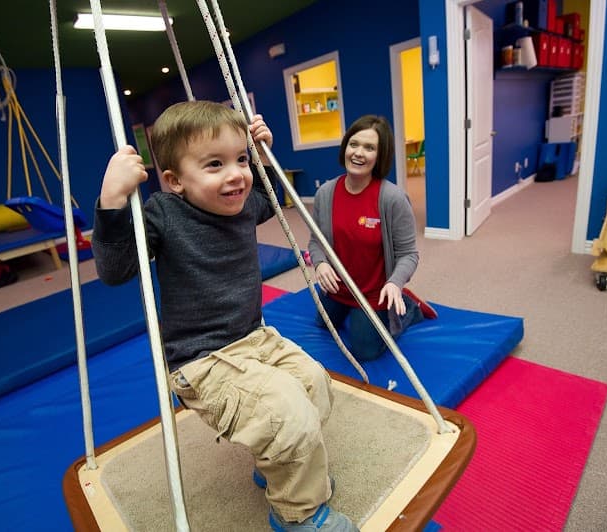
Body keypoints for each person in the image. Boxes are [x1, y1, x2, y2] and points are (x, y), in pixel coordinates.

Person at [92, 100, 358, 532]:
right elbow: (116, 268)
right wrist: (112, 201)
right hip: (201, 360)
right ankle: (298, 515)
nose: (236, 174)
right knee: (285, 415)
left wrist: (265, 156)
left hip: (253, 337)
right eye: (215, 164)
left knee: (314, 385)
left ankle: (282, 465)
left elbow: (269, 202)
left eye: (240, 160)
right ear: (175, 181)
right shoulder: (164, 214)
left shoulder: (242, 203)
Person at [308, 115, 435, 362]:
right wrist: (320, 262)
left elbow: (409, 253)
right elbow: (316, 241)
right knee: (324, 325)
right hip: (339, 287)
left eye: (370, 148)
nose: (358, 153)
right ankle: (347, 308)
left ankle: (409, 309)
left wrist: (395, 282)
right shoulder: (325, 193)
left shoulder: (392, 198)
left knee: (365, 351)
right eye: (354, 144)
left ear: (380, 155)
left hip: (374, 292)